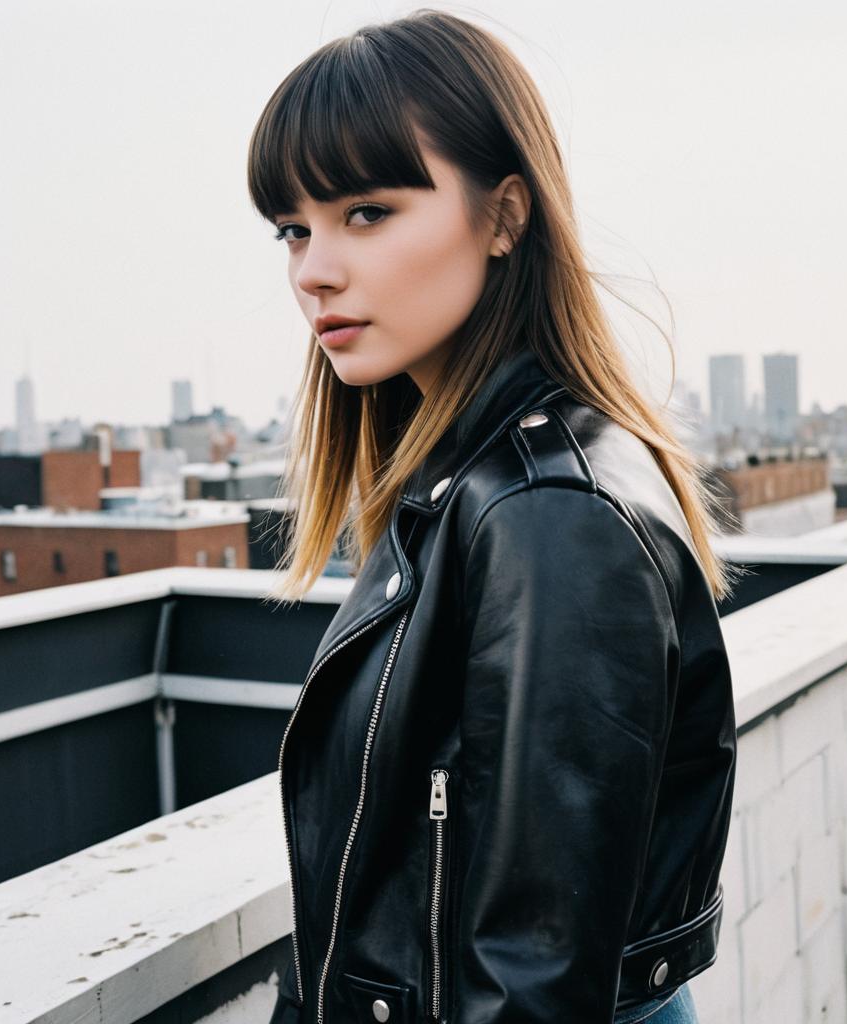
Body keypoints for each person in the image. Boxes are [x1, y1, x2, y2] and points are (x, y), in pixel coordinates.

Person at [247, 10, 739, 1024]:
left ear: (505, 214)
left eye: (368, 212)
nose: (313, 270)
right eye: (294, 227)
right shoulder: (467, 480)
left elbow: (533, 981)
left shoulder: (544, 513)